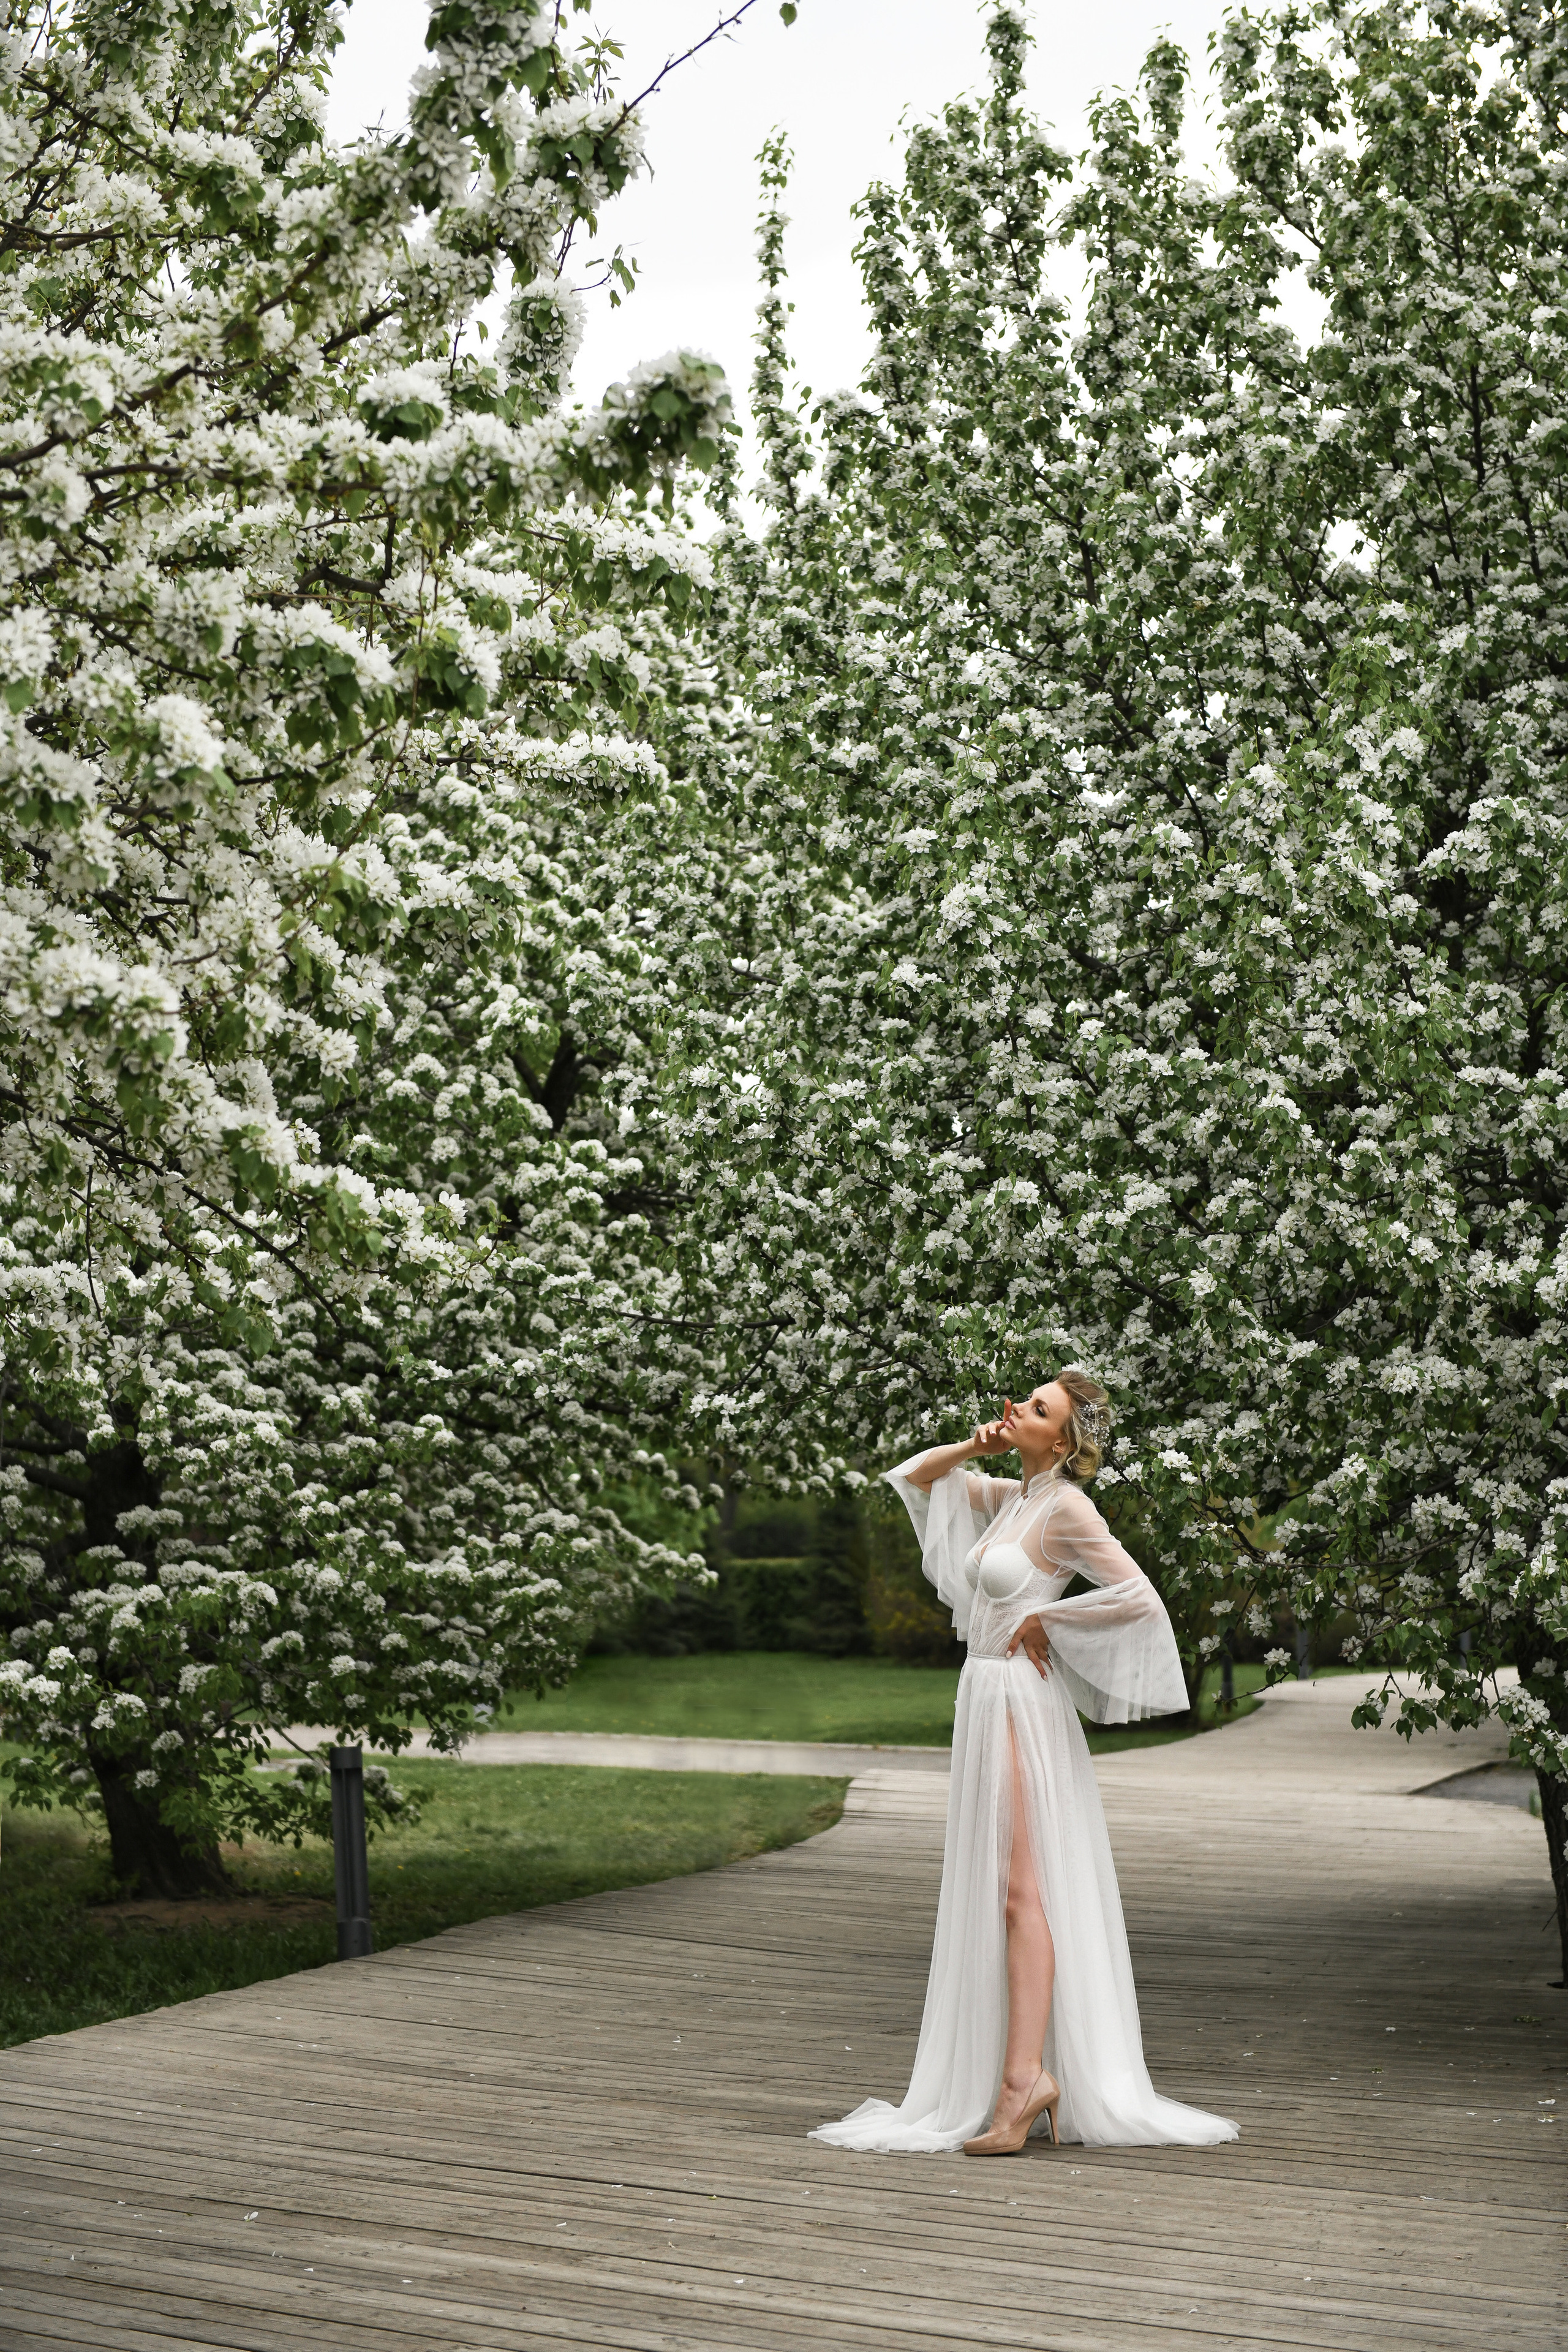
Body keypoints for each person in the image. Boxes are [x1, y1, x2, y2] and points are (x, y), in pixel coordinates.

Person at [810, 1370, 1238, 2156]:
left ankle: (1023, 2083)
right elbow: (914, 1478)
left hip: (1017, 1699)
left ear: (1065, 1441)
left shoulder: (1067, 1507)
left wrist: (1049, 1620)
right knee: (1002, 1890)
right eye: (1026, 1398)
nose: (1018, 1408)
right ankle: (1021, 2078)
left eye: (1038, 1409)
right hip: (982, 1693)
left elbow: (1138, 1598)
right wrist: (972, 1446)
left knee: (1019, 1892)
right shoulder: (1014, 1497)